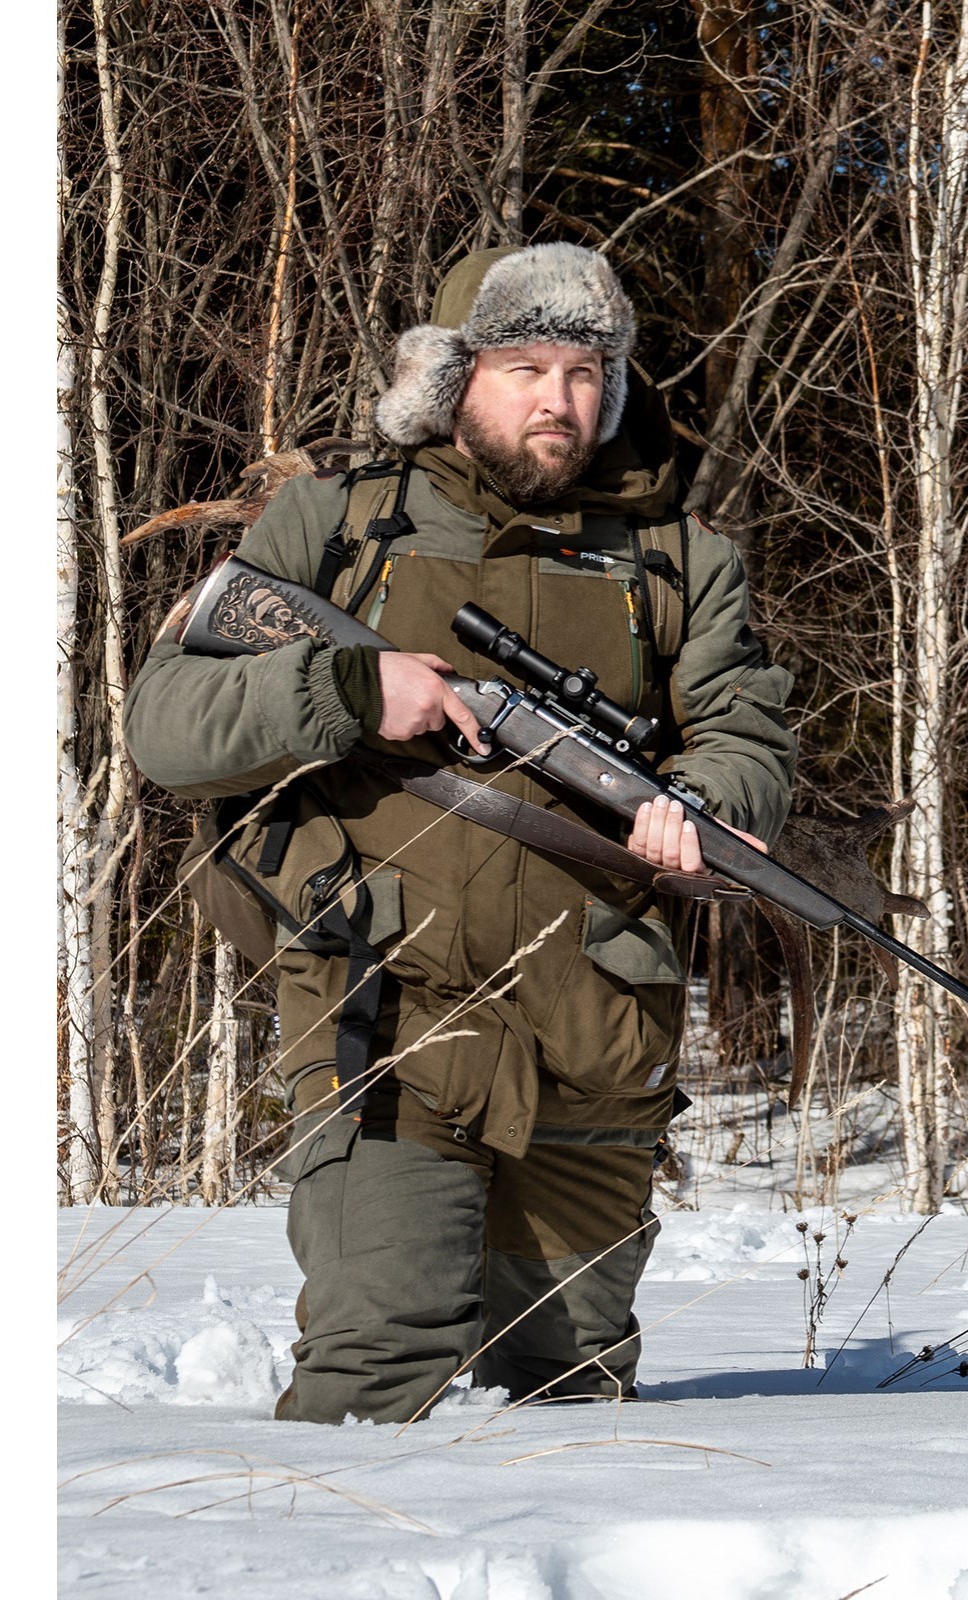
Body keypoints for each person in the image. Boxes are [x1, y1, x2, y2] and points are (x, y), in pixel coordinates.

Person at [123, 242, 796, 1425]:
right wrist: (345, 689)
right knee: (378, 1370)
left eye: (585, 372)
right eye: (525, 366)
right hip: (384, 1012)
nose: (558, 399)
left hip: (596, 1031)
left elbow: (745, 738)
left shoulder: (678, 559)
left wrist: (706, 805)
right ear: (452, 377)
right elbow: (164, 728)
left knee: (573, 1393)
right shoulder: (338, 525)